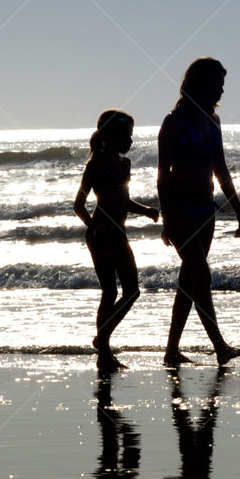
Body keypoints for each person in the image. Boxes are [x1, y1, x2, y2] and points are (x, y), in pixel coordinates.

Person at [157, 58, 240, 367]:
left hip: (205, 210)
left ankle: (171, 350)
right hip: (180, 209)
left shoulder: (213, 122)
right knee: (201, 275)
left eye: (222, 83)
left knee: (188, 282)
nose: (221, 89)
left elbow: (220, 168)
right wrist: (167, 218)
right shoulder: (174, 122)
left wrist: (239, 212)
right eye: (216, 82)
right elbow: (162, 174)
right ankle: (220, 346)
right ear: (199, 83)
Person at [74, 110, 158, 371]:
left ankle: (102, 338)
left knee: (133, 290)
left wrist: (145, 210)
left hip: (119, 233)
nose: (131, 141)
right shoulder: (95, 164)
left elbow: (123, 200)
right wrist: (94, 226)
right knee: (109, 291)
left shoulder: (125, 163)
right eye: (127, 135)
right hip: (100, 236)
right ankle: (105, 352)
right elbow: (79, 205)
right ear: (111, 136)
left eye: (131, 135)